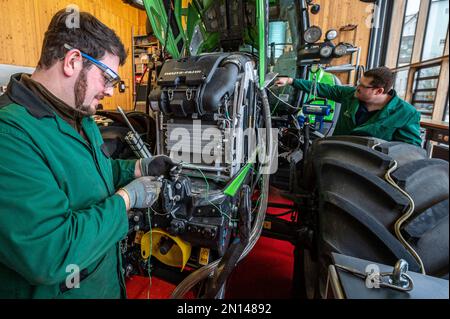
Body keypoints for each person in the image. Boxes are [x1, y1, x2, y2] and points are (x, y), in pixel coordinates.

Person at [0, 10, 176, 298]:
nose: (109, 91)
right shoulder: (10, 135)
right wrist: (126, 200)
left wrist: (138, 168)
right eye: (107, 78)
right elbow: (51, 253)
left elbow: (92, 173)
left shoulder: (79, 115)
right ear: (73, 61)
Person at [275, 67, 422, 146]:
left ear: (379, 91)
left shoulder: (406, 114)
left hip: (369, 165)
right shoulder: (351, 94)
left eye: (362, 86)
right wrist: (290, 80)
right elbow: (323, 88)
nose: (356, 87)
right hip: (337, 150)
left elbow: (408, 149)